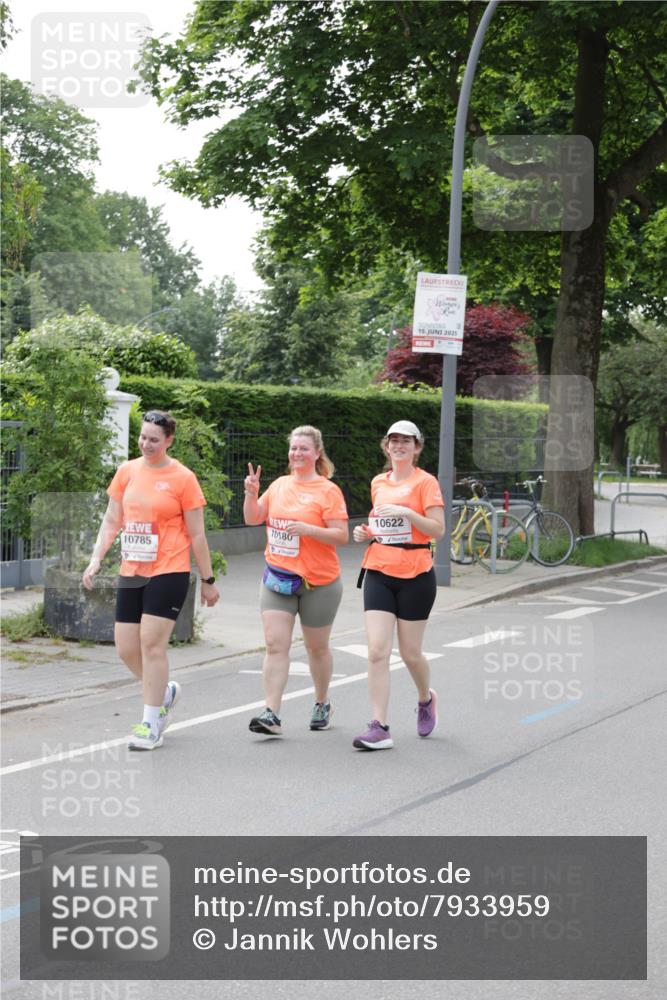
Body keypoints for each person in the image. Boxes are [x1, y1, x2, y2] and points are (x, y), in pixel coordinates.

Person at [82, 410, 220, 750]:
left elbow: (197, 534)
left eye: (154, 440)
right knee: (126, 647)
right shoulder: (127, 471)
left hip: (169, 569)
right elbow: (112, 519)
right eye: (143, 437)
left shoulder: (183, 478)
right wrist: (96, 558)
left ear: (169, 440)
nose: (146, 444)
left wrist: (208, 578)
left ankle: (150, 723)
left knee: (151, 644)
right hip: (132, 570)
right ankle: (163, 692)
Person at [243, 425, 349, 737]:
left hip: (319, 583)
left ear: (317, 453)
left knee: (316, 648)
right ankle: (271, 713)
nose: (297, 453)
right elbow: (252, 517)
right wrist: (251, 494)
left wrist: (309, 530)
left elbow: (341, 535)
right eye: (293, 448)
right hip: (278, 578)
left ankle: (322, 702)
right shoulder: (279, 485)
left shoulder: (328, 491)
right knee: (275, 645)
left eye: (303, 448)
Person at [352, 420, 445, 750]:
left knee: (410, 653)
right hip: (378, 570)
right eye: (394, 440)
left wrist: (408, 514)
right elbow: (382, 526)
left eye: (406, 441)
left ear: (417, 447)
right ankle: (379, 726)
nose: (399, 446)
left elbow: (437, 530)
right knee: (377, 650)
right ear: (386, 446)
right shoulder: (378, 482)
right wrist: (365, 532)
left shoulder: (425, 482)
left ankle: (425, 698)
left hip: (416, 574)